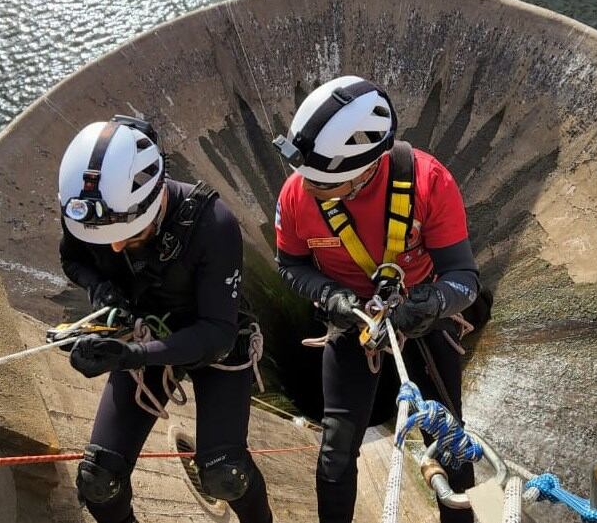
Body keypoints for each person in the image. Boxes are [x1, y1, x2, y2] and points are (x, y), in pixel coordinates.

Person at [272, 76, 483, 523]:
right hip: (352, 323)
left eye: (320, 181)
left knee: (451, 446)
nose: (304, 187)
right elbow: (290, 266)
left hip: (421, 318)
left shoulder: (429, 182)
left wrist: (430, 304)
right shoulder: (298, 191)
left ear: (364, 171)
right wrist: (330, 296)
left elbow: (464, 278)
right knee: (334, 452)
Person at [56, 115, 273, 523]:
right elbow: (72, 258)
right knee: (98, 480)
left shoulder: (213, 225)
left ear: (154, 201)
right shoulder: (91, 211)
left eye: (131, 235)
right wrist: (99, 288)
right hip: (143, 331)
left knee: (225, 473)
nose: (116, 245)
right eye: (105, 240)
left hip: (210, 337)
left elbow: (216, 336)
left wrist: (130, 355)